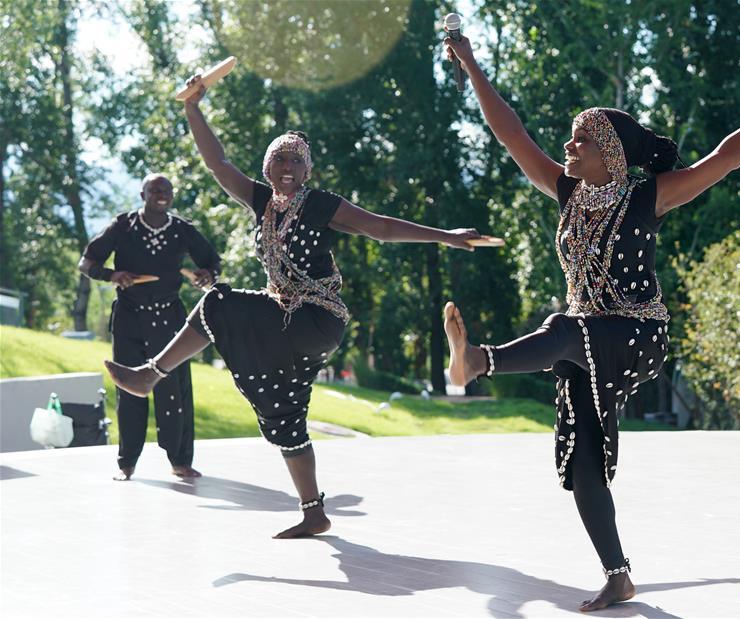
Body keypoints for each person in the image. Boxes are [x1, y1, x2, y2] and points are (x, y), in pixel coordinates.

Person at [442, 32, 740, 611]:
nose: (568, 144)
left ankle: (479, 362)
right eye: (571, 136)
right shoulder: (566, 193)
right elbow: (509, 131)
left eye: (582, 138)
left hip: (637, 335)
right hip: (584, 346)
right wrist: (473, 64)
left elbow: (726, 158)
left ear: (611, 150)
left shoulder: (648, 196)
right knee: (583, 468)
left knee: (560, 327)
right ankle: (619, 574)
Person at [105, 75, 489, 538]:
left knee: (218, 303)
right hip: (282, 320)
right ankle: (313, 511)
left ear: (308, 171)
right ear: (268, 168)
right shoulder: (261, 200)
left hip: (315, 319)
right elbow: (217, 163)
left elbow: (380, 229)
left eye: (296, 161)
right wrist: (192, 106)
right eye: (279, 159)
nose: (287, 166)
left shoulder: (322, 204)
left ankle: (150, 374)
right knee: (284, 412)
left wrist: (446, 236)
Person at [79, 173, 221, 481]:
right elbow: (87, 263)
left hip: (171, 319)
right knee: (129, 387)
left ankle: (180, 461)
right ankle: (126, 463)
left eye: (166, 189)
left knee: (175, 389)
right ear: (142, 194)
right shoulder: (122, 227)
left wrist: (205, 275)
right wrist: (112, 276)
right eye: (154, 189)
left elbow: (213, 263)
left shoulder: (183, 230)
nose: (161, 194)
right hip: (129, 317)